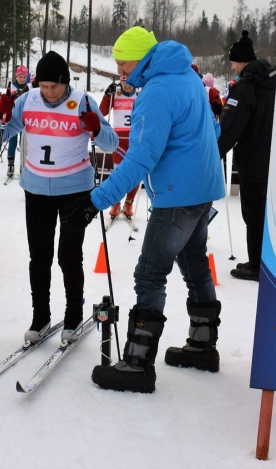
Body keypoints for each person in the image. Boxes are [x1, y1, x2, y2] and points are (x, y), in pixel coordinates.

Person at [61, 26, 225, 394]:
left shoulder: (157, 92)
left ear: (141, 57)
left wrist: (95, 201)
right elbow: (211, 132)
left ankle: (137, 363)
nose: (120, 71)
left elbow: (141, 158)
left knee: (150, 273)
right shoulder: (186, 77)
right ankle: (202, 346)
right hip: (202, 191)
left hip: (177, 196)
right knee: (195, 266)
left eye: (123, 63)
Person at [0, 50, 118, 347]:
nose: (48, 93)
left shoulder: (83, 102)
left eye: (55, 87)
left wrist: (96, 128)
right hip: (36, 189)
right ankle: (41, 317)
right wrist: (1, 114)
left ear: (66, 83)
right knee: (40, 257)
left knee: (69, 256)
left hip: (75, 190)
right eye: (44, 86)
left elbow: (110, 144)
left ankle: (73, 315)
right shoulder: (28, 100)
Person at [217, 30, 276, 282]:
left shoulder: (245, 89)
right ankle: (264, 261)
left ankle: (256, 266)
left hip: (254, 163)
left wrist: (212, 155)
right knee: (268, 215)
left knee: (253, 216)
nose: (232, 66)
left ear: (242, 62)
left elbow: (229, 130)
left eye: (233, 62)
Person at [98, 76, 141, 220]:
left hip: (136, 138)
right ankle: (116, 202)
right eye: (124, 82)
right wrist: (107, 95)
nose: (127, 86)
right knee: (118, 173)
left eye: (130, 83)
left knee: (135, 172)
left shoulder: (140, 93)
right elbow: (102, 112)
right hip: (119, 140)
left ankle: (129, 202)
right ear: (120, 81)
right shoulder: (115, 92)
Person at [4, 65, 31, 180]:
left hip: (25, 118)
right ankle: (10, 165)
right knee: (13, 142)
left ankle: (22, 165)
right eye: (20, 76)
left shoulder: (29, 87)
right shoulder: (12, 86)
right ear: (17, 76)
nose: (22, 79)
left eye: (24, 77)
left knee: (23, 143)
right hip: (14, 118)